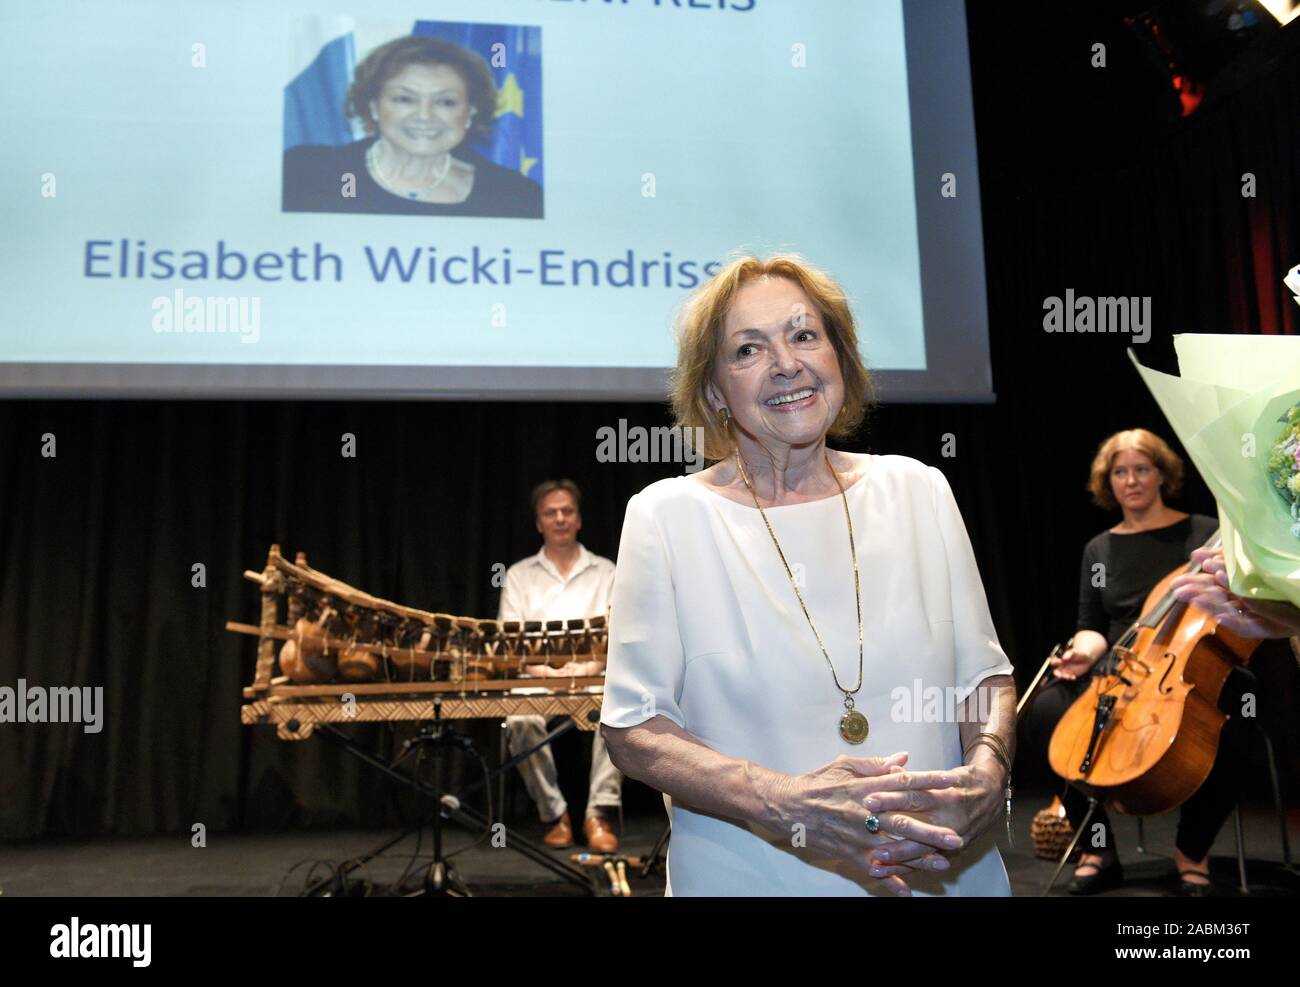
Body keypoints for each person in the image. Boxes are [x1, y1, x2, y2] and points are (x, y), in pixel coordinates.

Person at [599, 254, 1017, 896]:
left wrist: (989, 771)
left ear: (838, 359)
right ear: (714, 391)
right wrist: (787, 804)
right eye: (747, 350)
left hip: (944, 873)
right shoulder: (666, 516)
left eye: (803, 335)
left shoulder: (919, 488)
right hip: (752, 878)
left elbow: (983, 678)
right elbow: (634, 731)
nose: (785, 363)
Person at [1023, 428, 1247, 896]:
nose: (1132, 480)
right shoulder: (1099, 549)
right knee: (1045, 711)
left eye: (1142, 469)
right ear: (1109, 482)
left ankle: (1192, 851)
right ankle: (1097, 850)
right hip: (1124, 664)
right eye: (1120, 472)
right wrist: (1083, 651)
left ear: (1162, 474)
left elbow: (1235, 605)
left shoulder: (1204, 534)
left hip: (1194, 657)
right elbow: (1092, 624)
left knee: (1234, 712)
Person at [283, 35, 543, 217]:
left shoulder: (515, 197)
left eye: (445, 102)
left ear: (471, 111)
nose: (424, 116)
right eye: (404, 99)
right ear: (373, 105)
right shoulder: (307, 173)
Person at [499, 479, 621, 852]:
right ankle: (554, 814)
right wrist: (546, 674)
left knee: (622, 712)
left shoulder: (606, 572)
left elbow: (619, 635)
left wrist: (585, 670)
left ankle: (597, 813)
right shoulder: (519, 575)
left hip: (594, 677)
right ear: (539, 523)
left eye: (567, 511)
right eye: (550, 513)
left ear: (579, 519)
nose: (560, 519)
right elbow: (510, 642)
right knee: (520, 720)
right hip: (537, 679)